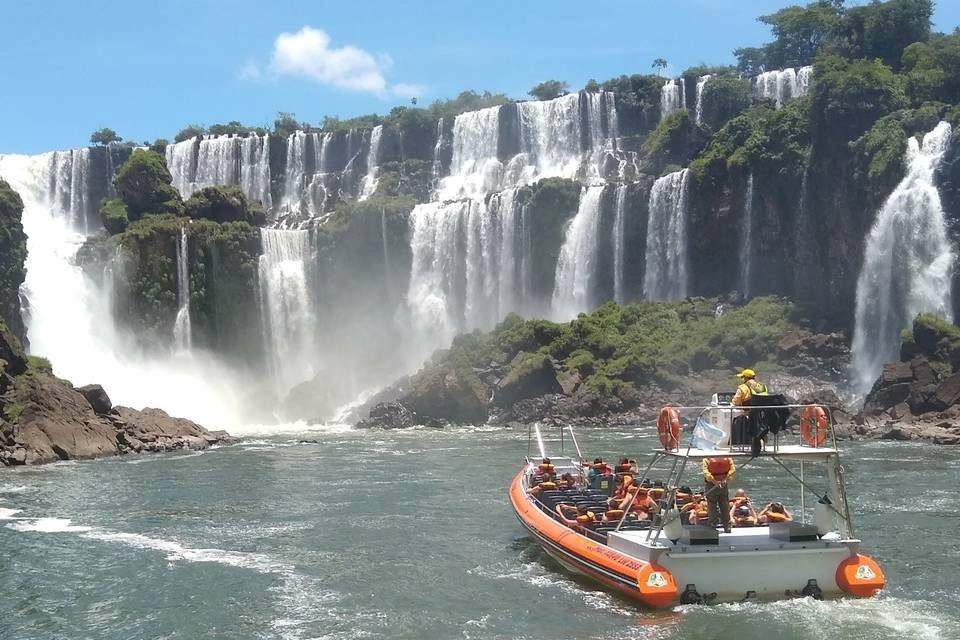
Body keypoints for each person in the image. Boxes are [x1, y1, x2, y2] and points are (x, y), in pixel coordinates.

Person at [732, 369, 768, 448]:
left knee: (737, 420)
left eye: (742, 377)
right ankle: (762, 440)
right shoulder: (761, 387)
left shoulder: (742, 388)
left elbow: (735, 402)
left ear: (745, 378)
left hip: (748, 414)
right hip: (761, 415)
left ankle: (742, 442)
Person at [702, 457, 736, 532]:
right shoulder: (728, 458)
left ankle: (713, 524)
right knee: (725, 505)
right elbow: (732, 470)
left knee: (712, 506)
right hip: (722, 484)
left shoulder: (706, 459)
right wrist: (725, 479)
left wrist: (714, 481)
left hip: (712, 484)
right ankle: (727, 526)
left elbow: (706, 472)